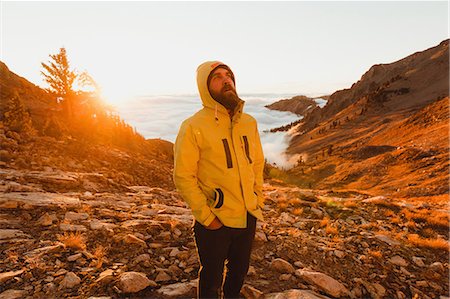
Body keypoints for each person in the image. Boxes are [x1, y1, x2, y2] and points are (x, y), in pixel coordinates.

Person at [173, 61, 265, 299]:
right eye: (217, 77)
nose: (226, 80)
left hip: (247, 215)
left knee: (238, 274)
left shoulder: (249, 123)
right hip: (215, 220)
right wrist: (207, 217)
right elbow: (183, 176)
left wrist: (257, 199)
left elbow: (257, 165)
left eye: (229, 75)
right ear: (205, 86)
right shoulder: (193, 126)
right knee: (212, 279)